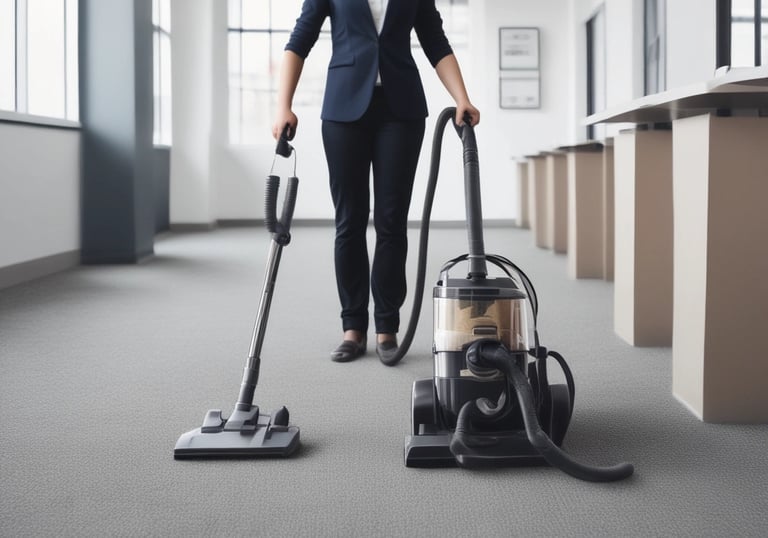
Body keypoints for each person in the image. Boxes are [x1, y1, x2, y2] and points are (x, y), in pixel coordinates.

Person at [272, 0, 480, 363]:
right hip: (343, 111)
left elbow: (435, 41)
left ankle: (387, 326)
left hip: (401, 111)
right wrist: (282, 106)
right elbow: (299, 40)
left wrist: (462, 98)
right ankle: (352, 327)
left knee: (391, 221)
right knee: (349, 221)